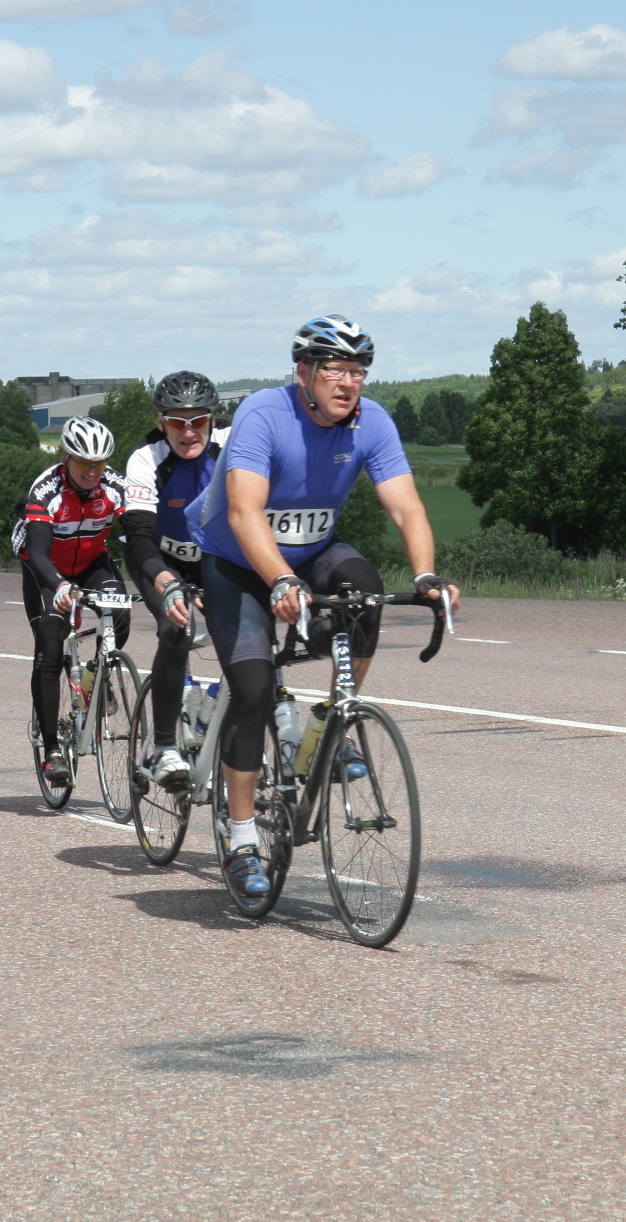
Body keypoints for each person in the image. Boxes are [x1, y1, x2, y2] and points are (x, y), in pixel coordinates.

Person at [188, 315, 461, 896]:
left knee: (365, 590)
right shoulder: (265, 414)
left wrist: (426, 574)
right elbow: (244, 511)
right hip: (237, 560)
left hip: (313, 550)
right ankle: (242, 840)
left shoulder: (372, 422)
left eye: (358, 371)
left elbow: (406, 506)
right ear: (304, 373)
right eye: (335, 369)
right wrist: (281, 581)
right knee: (253, 691)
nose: (348, 382)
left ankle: (329, 726)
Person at [13, 415, 132, 789]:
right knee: (51, 642)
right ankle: (51, 751)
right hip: (45, 565)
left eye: (100, 463)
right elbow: (39, 552)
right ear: (67, 457)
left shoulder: (114, 486)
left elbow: (142, 531)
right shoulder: (46, 489)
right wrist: (61, 586)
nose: (92, 471)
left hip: (92, 561)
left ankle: (97, 677)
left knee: (121, 613)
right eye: (84, 463)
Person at [120, 371, 225, 787]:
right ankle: (165, 746)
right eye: (178, 422)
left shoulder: (231, 445)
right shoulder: (146, 458)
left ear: (212, 419)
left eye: (198, 420)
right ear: (162, 422)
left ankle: (211, 711)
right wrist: (165, 580)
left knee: (251, 634)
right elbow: (139, 537)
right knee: (176, 630)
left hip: (213, 558)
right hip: (156, 559)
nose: (189, 431)